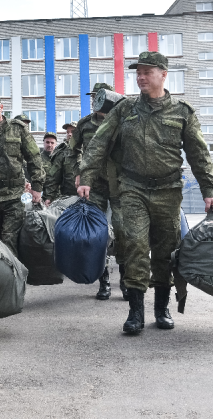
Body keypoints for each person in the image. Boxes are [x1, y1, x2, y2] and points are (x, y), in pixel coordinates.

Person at [78, 52, 213, 335]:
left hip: (168, 190)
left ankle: (161, 308)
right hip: (132, 188)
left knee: (165, 251)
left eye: (147, 72)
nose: (141, 77)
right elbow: (99, 143)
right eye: (138, 72)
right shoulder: (125, 108)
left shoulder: (182, 112)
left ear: (163, 75)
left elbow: (199, 153)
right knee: (135, 246)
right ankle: (135, 312)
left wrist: (208, 189)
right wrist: (87, 176)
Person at [69, 83, 126, 301]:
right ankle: (104, 282)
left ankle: (125, 279)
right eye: (93, 97)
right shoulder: (84, 124)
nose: (95, 101)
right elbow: (71, 151)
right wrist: (78, 172)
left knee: (123, 233)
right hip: (96, 187)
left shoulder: (123, 122)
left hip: (120, 187)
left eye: (100, 97)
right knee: (97, 235)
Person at [0, 91, 45, 258]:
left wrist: (37, 187)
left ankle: (12, 279)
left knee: (9, 238)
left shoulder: (17, 129)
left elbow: (34, 158)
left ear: (1, 107)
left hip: (14, 194)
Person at [43, 122, 77, 204]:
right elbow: (54, 177)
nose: (69, 134)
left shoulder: (89, 149)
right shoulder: (62, 152)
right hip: (69, 197)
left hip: (89, 195)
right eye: (67, 132)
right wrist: (49, 197)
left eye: (72, 131)